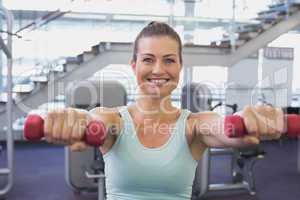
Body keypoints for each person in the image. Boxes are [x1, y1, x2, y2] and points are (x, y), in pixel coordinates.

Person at [44, 21, 284, 200]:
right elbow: (96, 121)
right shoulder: (113, 117)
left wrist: (244, 121)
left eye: (169, 60)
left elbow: (225, 128)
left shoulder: (194, 125)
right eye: (148, 60)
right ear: (134, 65)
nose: (158, 69)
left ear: (180, 66)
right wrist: (79, 120)